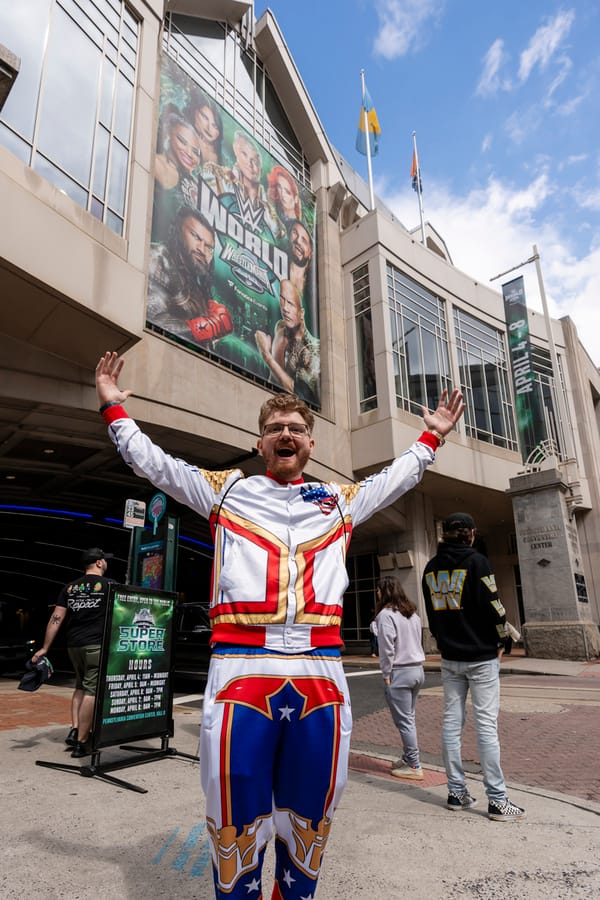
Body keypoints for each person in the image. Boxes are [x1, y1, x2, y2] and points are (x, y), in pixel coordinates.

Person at [95, 349, 464, 898]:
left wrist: (429, 438)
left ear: (311, 444)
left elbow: (396, 479)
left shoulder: (339, 501)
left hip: (320, 669)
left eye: (296, 428)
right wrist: (114, 412)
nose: (285, 434)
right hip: (240, 665)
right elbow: (156, 465)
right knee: (234, 811)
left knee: (311, 813)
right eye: (274, 428)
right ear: (259, 442)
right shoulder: (225, 490)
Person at [422, 512, 526, 822]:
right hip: (480, 657)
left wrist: (443, 640)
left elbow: (432, 613)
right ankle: (497, 799)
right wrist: (502, 640)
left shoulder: (430, 568)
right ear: (469, 533)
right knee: (486, 727)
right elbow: (493, 604)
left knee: (452, 724)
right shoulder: (477, 562)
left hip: (450, 657)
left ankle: (456, 792)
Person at [32, 548, 113, 758]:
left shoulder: (69, 588)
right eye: (104, 560)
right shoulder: (110, 586)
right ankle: (83, 742)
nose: (106, 563)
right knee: (91, 691)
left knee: (80, 684)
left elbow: (55, 619)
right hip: (95, 645)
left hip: (74, 645)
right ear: (98, 563)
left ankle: (76, 728)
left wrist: (45, 648)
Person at [147, 206, 232, 346]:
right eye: (196, 237)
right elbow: (151, 319)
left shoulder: (196, 286)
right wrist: (206, 327)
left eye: (209, 247)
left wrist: (216, 328)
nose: (202, 249)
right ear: (178, 232)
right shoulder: (157, 258)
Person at [375, 576, 425, 780]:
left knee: (404, 721)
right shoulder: (412, 613)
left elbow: (387, 647)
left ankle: (414, 764)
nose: (377, 593)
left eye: (378, 590)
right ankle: (408, 757)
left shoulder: (386, 615)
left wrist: (386, 673)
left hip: (400, 671)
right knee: (409, 718)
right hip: (417, 670)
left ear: (384, 591)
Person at [254, 279, 320, 405]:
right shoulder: (281, 331)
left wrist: (266, 355)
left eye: (290, 303)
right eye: (282, 301)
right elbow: (272, 381)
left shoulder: (314, 350)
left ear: (302, 313)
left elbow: (297, 392)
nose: (284, 308)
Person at [152, 112, 202, 244]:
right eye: (182, 141)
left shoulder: (191, 185)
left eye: (196, 152)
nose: (189, 153)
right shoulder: (155, 162)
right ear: (168, 135)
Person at [183, 87, 224, 170]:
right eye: (205, 118)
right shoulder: (184, 132)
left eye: (214, 126)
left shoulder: (221, 157)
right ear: (195, 112)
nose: (209, 128)